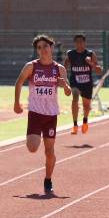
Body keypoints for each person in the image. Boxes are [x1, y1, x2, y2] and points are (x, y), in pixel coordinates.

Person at [14, 35, 72, 194]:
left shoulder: (59, 69)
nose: (42, 50)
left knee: (49, 151)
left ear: (51, 47)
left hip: (51, 114)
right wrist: (16, 103)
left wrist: (65, 86)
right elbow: (19, 82)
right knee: (32, 148)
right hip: (35, 112)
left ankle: (48, 180)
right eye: (39, 47)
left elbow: (68, 92)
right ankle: (32, 137)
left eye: (45, 46)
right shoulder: (31, 66)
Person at [63, 34, 102, 135]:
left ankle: (85, 121)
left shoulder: (90, 54)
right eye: (77, 42)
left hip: (87, 83)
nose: (79, 44)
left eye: (81, 42)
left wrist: (91, 63)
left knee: (86, 105)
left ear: (85, 43)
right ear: (74, 43)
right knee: (75, 98)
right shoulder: (70, 54)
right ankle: (75, 125)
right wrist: (64, 79)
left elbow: (99, 71)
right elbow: (64, 68)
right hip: (75, 81)